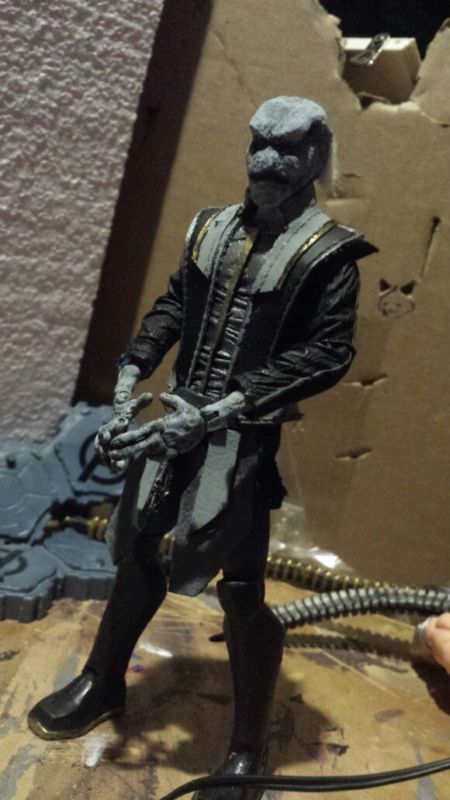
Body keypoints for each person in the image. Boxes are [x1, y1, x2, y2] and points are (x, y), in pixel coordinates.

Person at [28, 96, 376, 799]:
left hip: (241, 443)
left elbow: (329, 352)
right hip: (172, 426)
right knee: (137, 546)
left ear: (315, 157)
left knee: (241, 588)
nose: (268, 162)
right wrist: (130, 374)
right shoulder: (210, 228)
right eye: (259, 145)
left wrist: (227, 407)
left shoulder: (328, 254)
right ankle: (103, 679)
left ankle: (244, 749)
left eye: (287, 150)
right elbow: (175, 306)